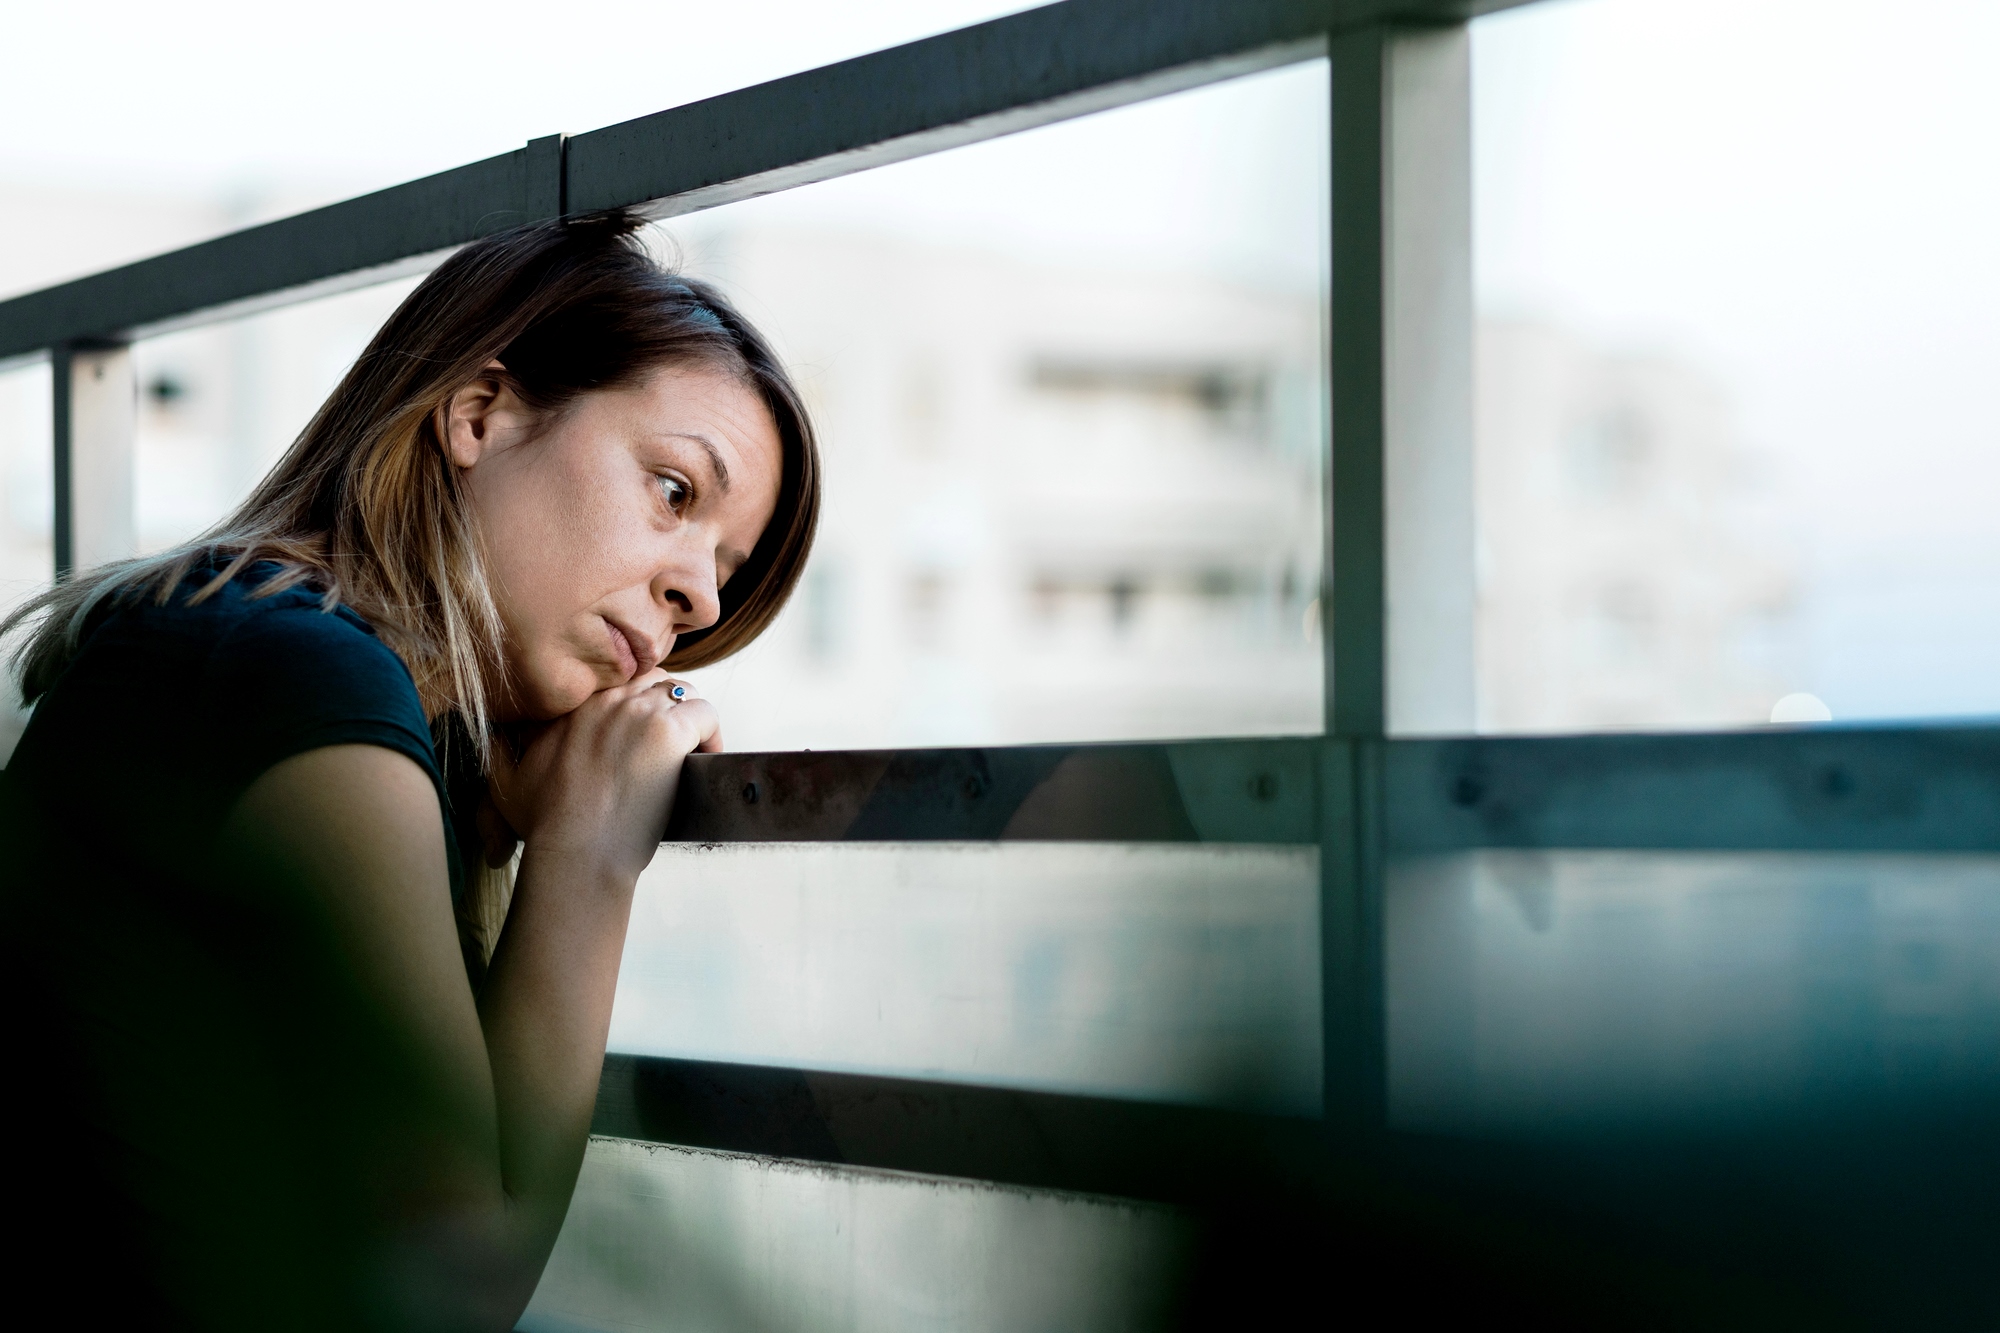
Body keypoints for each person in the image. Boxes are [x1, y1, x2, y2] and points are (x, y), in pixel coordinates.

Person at [0, 210, 819, 1330]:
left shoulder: (264, 648)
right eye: (675, 492)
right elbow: (457, 1292)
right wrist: (586, 858)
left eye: (724, 566)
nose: (704, 599)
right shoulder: (291, 672)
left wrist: (499, 829)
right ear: (481, 412)